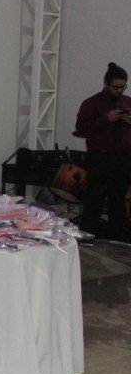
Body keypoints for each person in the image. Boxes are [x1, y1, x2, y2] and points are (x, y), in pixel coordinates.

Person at [75, 62, 131, 243]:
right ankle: (87, 235)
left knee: (118, 198)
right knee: (94, 197)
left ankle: (117, 235)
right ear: (106, 84)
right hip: (100, 157)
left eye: (123, 87)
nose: (119, 91)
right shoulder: (92, 103)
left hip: (124, 158)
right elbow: (81, 128)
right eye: (115, 87)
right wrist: (107, 119)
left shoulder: (128, 102)